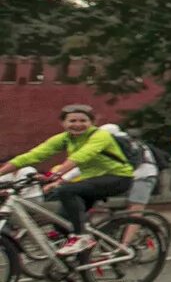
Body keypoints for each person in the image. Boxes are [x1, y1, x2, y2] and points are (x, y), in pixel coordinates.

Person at [0, 104, 133, 255]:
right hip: (90, 180)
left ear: (92, 122)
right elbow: (33, 155)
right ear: (63, 123)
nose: (77, 125)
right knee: (61, 222)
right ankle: (80, 258)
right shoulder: (64, 139)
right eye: (72, 121)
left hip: (118, 177)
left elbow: (81, 156)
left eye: (83, 120)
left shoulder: (100, 135)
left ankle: (81, 237)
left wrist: (54, 175)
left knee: (66, 190)